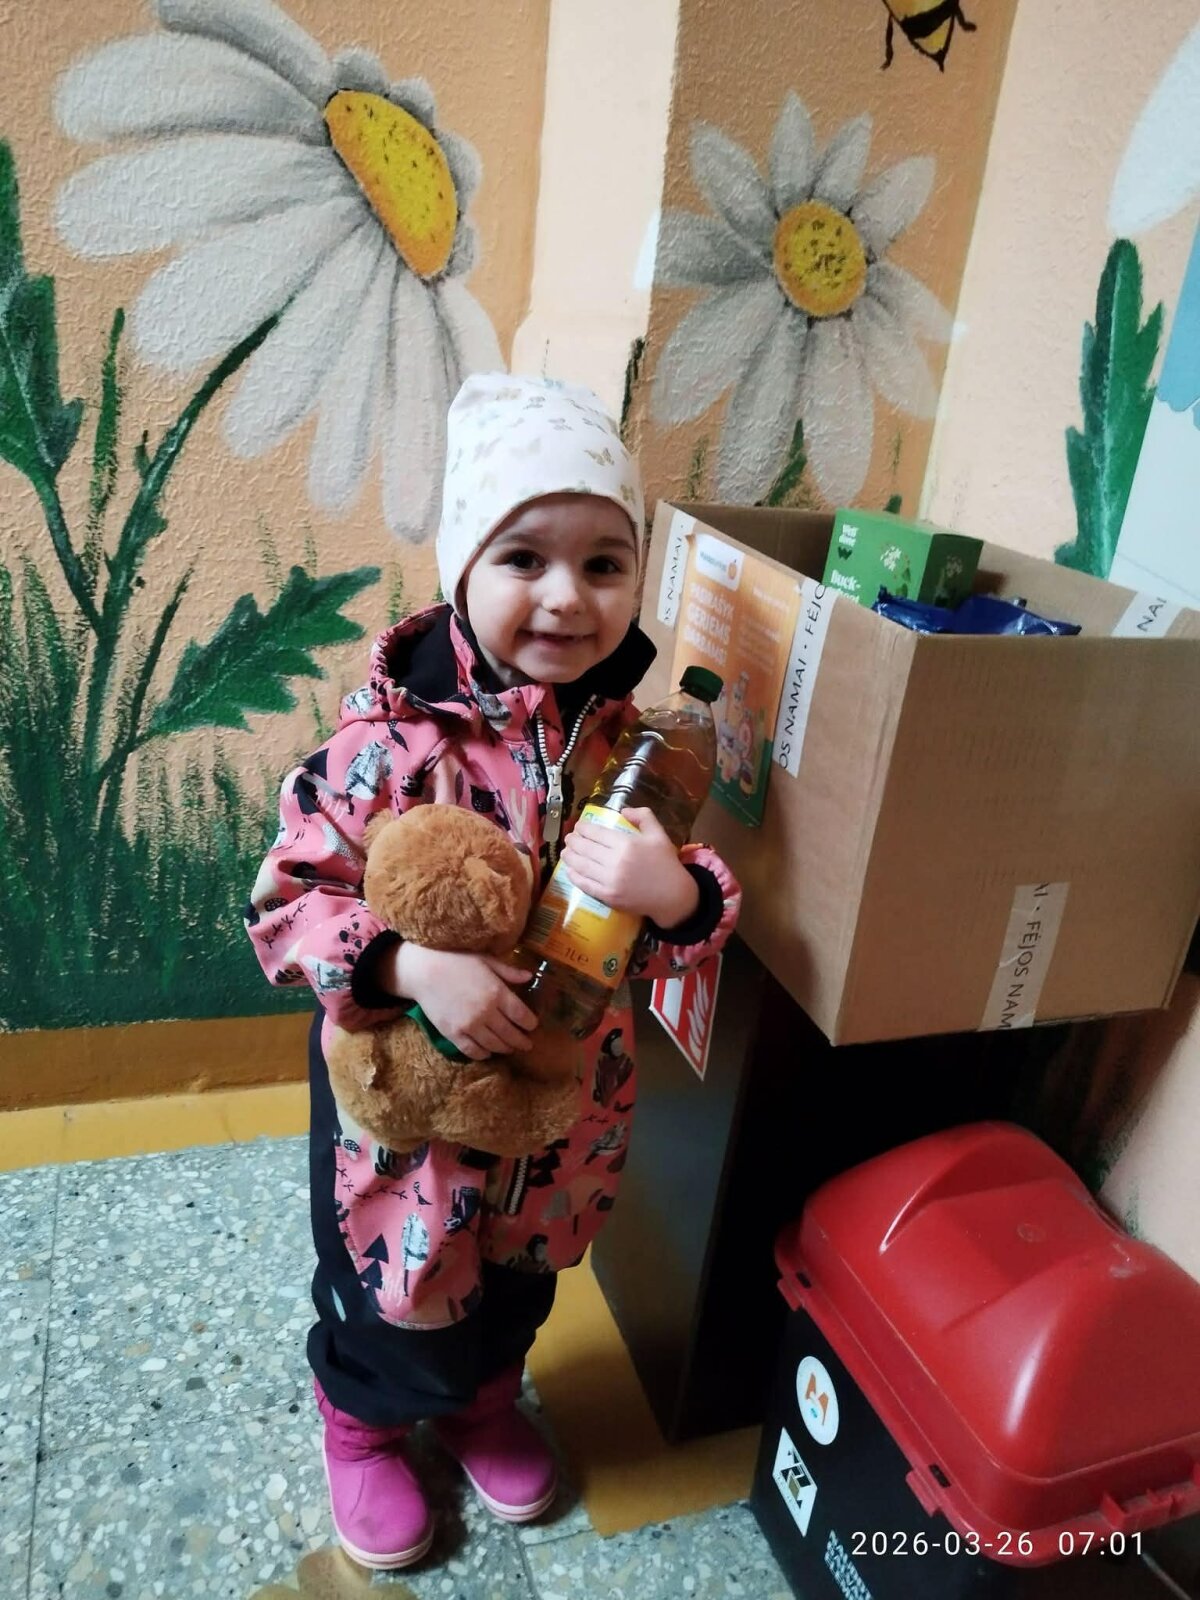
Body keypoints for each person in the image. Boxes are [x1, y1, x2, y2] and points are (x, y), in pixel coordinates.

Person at [245, 373, 741, 1571]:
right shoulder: (384, 745)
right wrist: (409, 965)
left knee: (524, 1270)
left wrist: (673, 894)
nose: (568, 596)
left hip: (564, 1105)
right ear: (464, 563)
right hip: (407, 1123)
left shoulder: (636, 748)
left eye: (606, 563)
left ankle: (482, 1404)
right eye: (525, 557)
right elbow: (285, 904)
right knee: (399, 1289)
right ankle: (364, 1425)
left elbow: (682, 926)